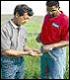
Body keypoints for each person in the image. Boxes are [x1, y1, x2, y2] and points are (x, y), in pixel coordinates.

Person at [1, 4, 42, 79]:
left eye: (28, 19)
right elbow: (5, 51)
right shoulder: (4, 29)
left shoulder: (23, 30)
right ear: (17, 14)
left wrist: (32, 50)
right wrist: (28, 53)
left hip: (20, 61)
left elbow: (23, 46)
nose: (26, 21)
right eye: (25, 18)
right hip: (8, 62)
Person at [36, 1, 69, 79]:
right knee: (44, 75)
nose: (50, 13)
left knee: (56, 76)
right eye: (48, 10)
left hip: (57, 52)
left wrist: (51, 46)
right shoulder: (47, 17)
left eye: (53, 10)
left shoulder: (65, 20)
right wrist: (40, 36)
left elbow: (67, 41)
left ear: (58, 8)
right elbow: (46, 29)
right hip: (44, 50)